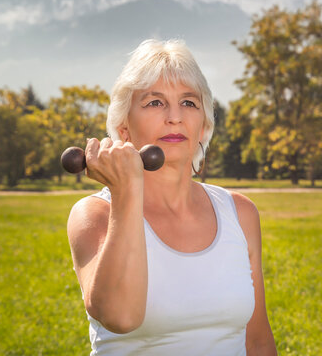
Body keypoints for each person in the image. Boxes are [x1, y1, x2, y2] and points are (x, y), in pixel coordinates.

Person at [66, 39, 277, 355]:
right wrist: (126, 191)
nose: (175, 117)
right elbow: (121, 317)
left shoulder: (239, 212)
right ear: (123, 128)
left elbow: (258, 340)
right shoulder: (94, 214)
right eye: (155, 102)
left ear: (204, 125)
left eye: (189, 103)